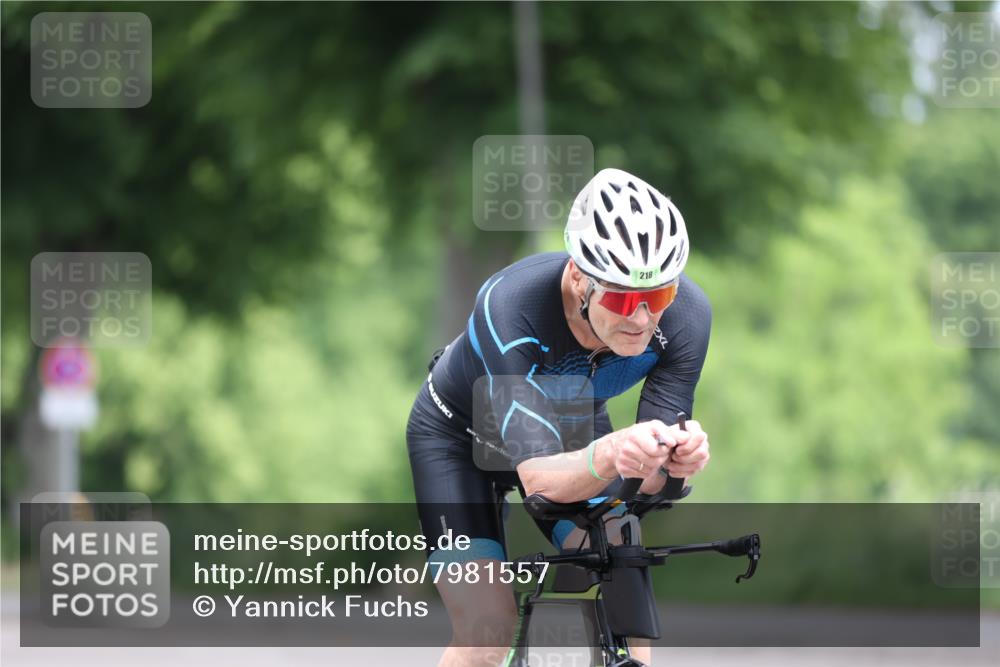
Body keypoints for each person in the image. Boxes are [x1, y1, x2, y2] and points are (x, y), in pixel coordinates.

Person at [406, 168, 713, 666]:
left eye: (657, 296)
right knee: (489, 630)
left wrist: (673, 464)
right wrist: (613, 454)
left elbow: (647, 485)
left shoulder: (687, 318)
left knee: (622, 552)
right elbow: (541, 482)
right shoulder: (511, 308)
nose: (642, 319)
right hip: (457, 440)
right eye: (621, 298)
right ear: (578, 278)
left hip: (568, 423)